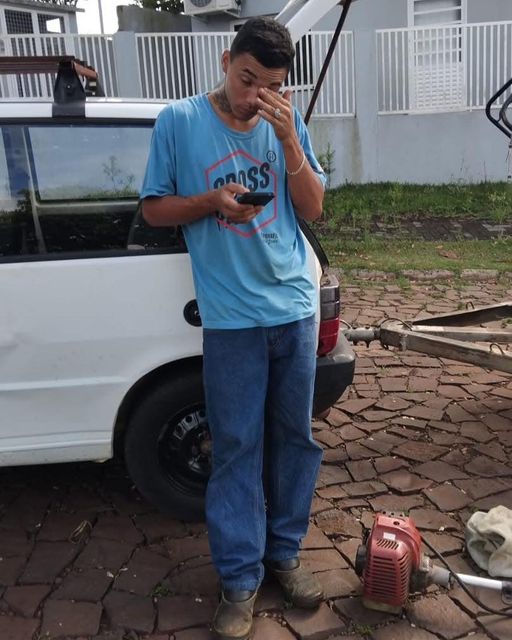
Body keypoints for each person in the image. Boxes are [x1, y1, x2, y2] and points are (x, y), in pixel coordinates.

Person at [141, 17, 326, 640]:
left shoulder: (284, 123)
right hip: (232, 319)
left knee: (295, 439)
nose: (255, 96)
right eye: (247, 79)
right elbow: (154, 208)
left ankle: (286, 555)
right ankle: (240, 579)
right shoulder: (180, 121)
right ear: (226, 61)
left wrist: (291, 143)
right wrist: (210, 202)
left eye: (270, 85)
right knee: (237, 446)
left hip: (294, 307)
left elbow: (313, 207)